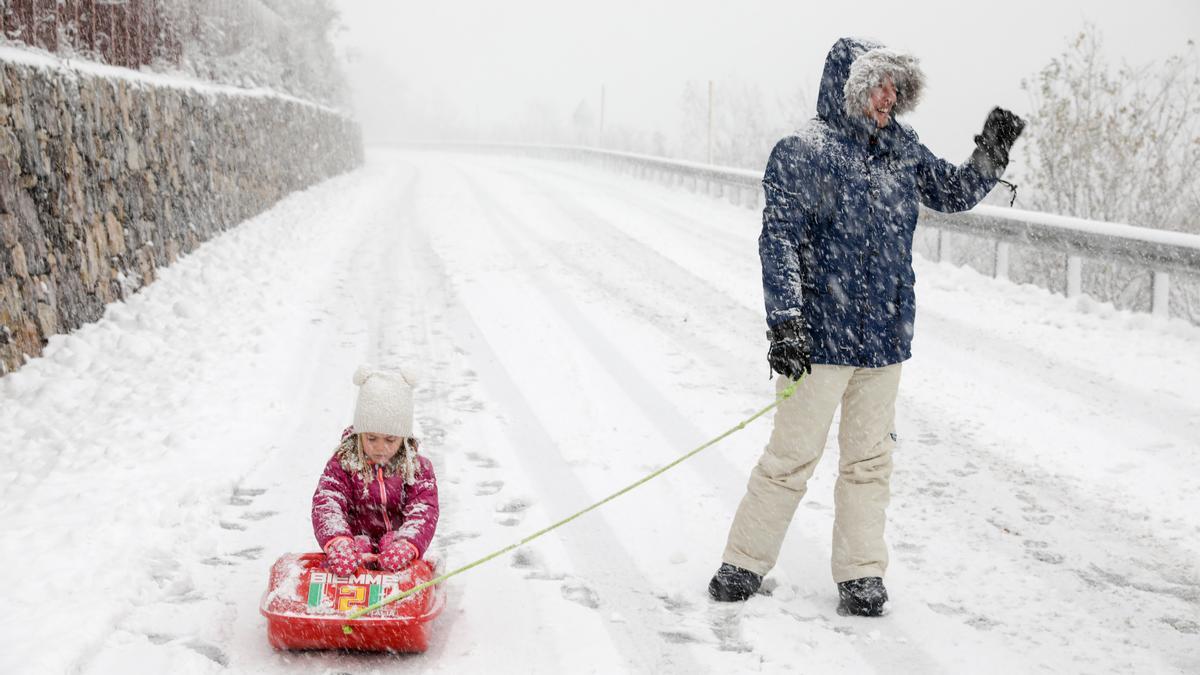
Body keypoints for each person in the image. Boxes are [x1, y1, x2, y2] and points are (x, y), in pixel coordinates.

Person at [708, 37, 1024, 616]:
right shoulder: (802, 152)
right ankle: (743, 562)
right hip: (819, 343)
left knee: (869, 462)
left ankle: (860, 574)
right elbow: (778, 240)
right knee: (790, 458)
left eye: (896, 88)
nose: (890, 98)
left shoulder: (903, 150)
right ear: (851, 89)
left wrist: (990, 154)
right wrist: (785, 323)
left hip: (883, 340)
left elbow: (951, 192)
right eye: (880, 85)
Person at [312, 366, 439, 576]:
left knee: (392, 544)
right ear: (360, 434)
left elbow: (424, 508)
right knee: (359, 546)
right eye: (371, 438)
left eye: (390, 439)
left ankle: (396, 563)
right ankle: (350, 571)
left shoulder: (417, 468)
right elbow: (327, 502)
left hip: (397, 548)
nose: (381, 447)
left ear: (403, 438)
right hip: (353, 545)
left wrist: (408, 543)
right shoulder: (342, 464)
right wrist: (338, 542)